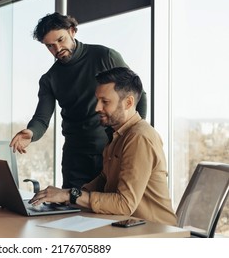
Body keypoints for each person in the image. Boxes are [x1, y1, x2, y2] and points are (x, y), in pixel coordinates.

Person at [10, 12, 147, 189]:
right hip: (75, 158)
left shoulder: (105, 56)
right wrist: (31, 133)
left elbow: (138, 94)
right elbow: (41, 119)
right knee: (73, 210)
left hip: (111, 152)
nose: (57, 49)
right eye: (50, 46)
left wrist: (136, 132)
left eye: (61, 40)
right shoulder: (49, 78)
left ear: (72, 31)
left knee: (111, 209)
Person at [29, 67, 177, 225]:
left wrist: (70, 195)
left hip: (156, 233)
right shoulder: (118, 134)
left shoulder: (139, 138)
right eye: (98, 100)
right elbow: (104, 179)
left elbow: (124, 204)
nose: (97, 108)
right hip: (126, 226)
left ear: (128, 102)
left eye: (105, 102)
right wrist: (68, 198)